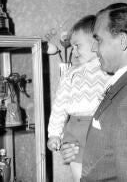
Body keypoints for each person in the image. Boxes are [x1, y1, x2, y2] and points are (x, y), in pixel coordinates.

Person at [61, 3, 127, 181]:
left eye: (98, 40)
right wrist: (78, 150)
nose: (93, 48)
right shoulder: (125, 83)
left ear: (122, 41)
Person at [47, 15, 110, 181]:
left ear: (96, 42)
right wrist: (54, 134)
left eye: (77, 46)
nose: (73, 52)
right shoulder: (70, 74)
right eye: (72, 47)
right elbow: (59, 106)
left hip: (100, 128)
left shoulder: (108, 70)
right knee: (79, 175)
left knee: (101, 172)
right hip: (75, 129)